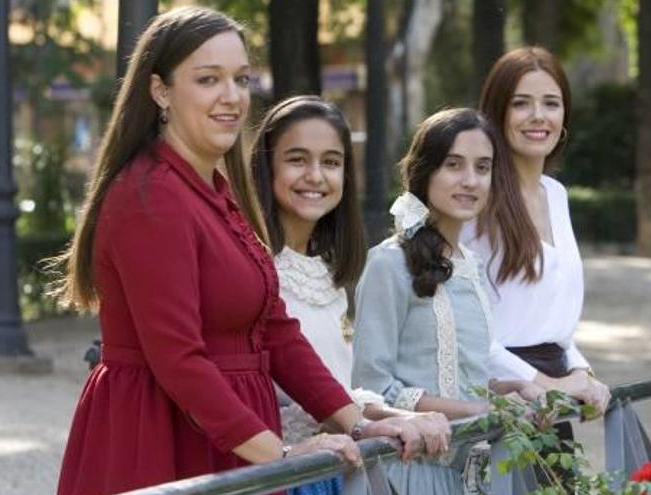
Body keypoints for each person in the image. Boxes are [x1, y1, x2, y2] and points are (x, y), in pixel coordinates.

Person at [52, 8, 426, 495]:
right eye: (209, 79)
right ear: (160, 90)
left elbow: (275, 330)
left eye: (241, 79)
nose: (231, 97)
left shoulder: (216, 191)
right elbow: (177, 358)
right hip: (164, 441)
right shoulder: (151, 195)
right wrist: (283, 455)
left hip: (232, 440)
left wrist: (357, 423)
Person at [249, 95, 451, 495]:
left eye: (330, 162)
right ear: (266, 167)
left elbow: (339, 388)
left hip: (336, 468)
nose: (315, 175)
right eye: (296, 159)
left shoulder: (328, 273)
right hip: (279, 474)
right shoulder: (253, 270)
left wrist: (402, 416)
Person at [352, 108, 546, 495]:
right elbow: (370, 391)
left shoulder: (471, 266)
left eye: (483, 167)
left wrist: (506, 391)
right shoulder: (389, 263)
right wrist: (478, 413)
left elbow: (456, 373)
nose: (470, 181)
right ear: (425, 173)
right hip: (407, 476)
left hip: (475, 477)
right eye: (454, 165)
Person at [463, 45, 612, 480]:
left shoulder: (556, 194)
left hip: (551, 403)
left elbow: (554, 321)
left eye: (551, 102)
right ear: (496, 112)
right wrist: (546, 385)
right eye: (521, 103)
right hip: (501, 400)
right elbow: (470, 331)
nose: (538, 116)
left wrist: (581, 371)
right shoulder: (477, 200)